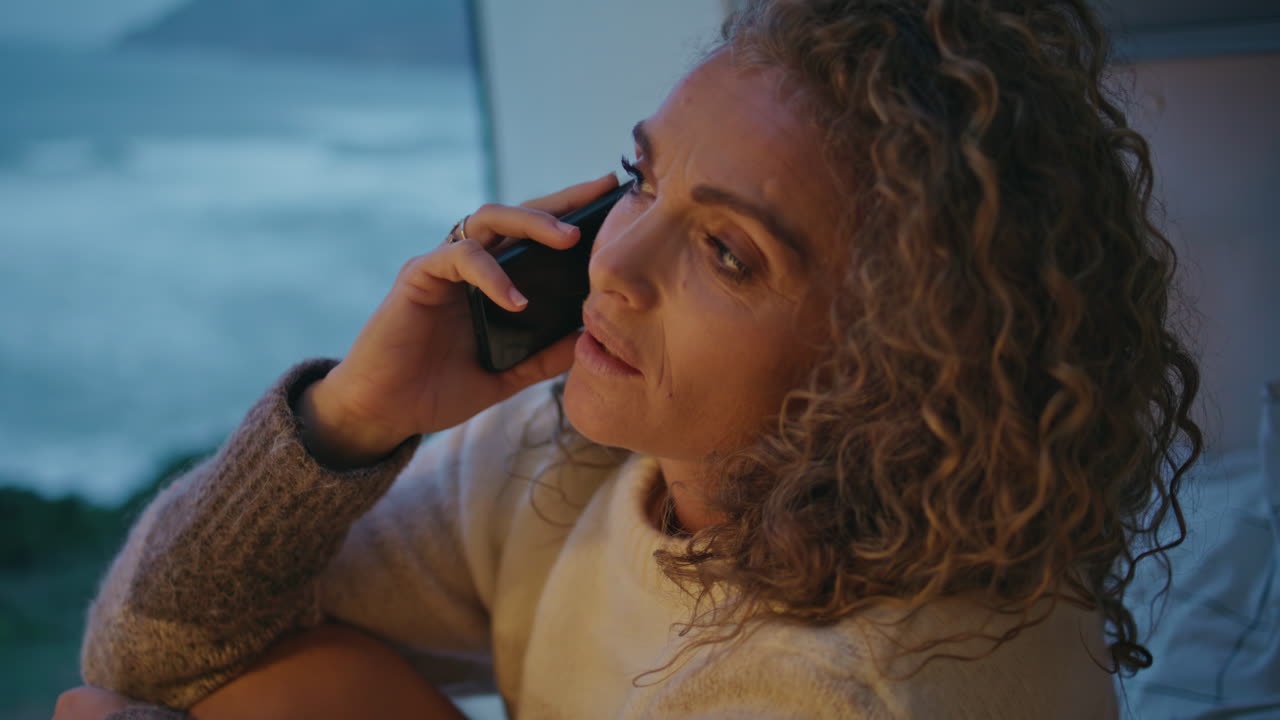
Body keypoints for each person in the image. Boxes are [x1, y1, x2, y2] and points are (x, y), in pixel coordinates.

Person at [55, 0, 1203, 718]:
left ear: (892, 361)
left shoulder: (863, 689)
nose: (612, 264)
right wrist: (350, 418)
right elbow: (157, 648)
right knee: (284, 682)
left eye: (725, 251)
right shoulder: (580, 453)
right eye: (641, 178)